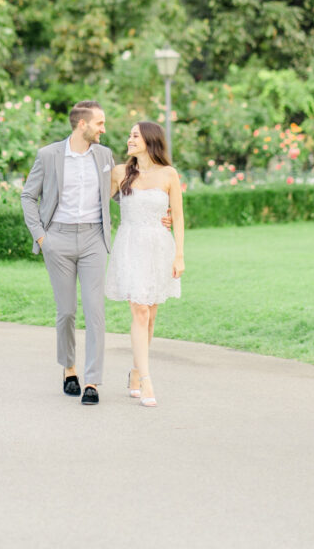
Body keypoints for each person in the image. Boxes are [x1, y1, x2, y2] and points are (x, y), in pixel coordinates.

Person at [21, 100, 113, 405]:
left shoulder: (105, 155)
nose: (104, 128)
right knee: (67, 312)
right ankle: (69, 369)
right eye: (99, 123)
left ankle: (93, 382)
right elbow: (28, 196)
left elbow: (118, 193)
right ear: (82, 125)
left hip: (93, 240)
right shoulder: (48, 155)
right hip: (57, 239)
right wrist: (42, 237)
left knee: (95, 310)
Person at [105, 120, 185, 407]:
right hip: (130, 245)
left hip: (159, 248)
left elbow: (177, 217)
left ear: (150, 140)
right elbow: (101, 201)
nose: (129, 139)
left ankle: (136, 370)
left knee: (150, 315)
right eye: (129, 135)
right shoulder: (119, 173)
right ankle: (147, 380)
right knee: (139, 311)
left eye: (135, 135)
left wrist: (179, 255)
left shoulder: (169, 174)